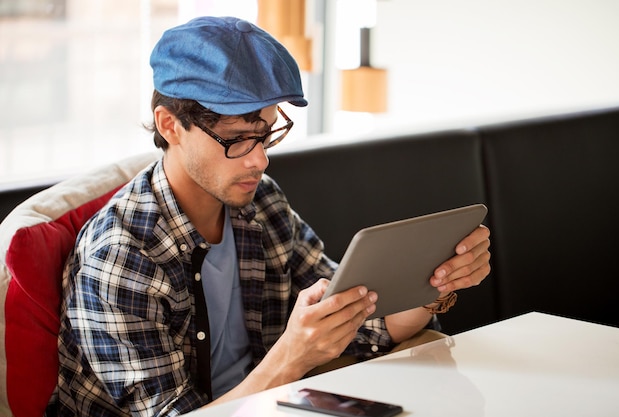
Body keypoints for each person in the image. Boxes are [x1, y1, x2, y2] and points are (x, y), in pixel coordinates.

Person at [52, 16, 491, 416]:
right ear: (169, 125)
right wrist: (294, 355)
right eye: (238, 139)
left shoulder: (260, 204)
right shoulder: (120, 258)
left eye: (266, 134)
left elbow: (361, 324)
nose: (259, 160)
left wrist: (433, 287)